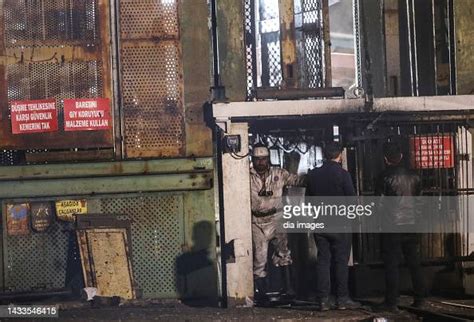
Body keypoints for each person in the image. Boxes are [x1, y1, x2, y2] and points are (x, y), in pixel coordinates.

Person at [306, 141, 359, 311]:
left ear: (324, 155)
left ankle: (323, 300)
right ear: (340, 155)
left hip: (321, 223)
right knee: (340, 262)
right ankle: (342, 299)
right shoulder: (344, 175)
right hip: (340, 224)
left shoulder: (313, 175)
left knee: (323, 261)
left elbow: (308, 200)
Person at [374, 142, 426, 313]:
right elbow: (419, 201)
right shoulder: (415, 176)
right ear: (401, 157)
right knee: (414, 263)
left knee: (391, 264)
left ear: (385, 159)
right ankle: (419, 299)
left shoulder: (383, 177)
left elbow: (379, 204)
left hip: (392, 225)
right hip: (412, 224)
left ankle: (391, 302)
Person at [250, 143, 305, 303]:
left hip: (277, 218)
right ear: (253, 160)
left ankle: (288, 289)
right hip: (256, 220)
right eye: (257, 159)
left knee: (283, 253)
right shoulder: (246, 174)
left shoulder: (279, 173)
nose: (261, 162)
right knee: (259, 258)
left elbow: (297, 180)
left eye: (263, 159)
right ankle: (261, 293)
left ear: (268, 159)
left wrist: (317, 176)